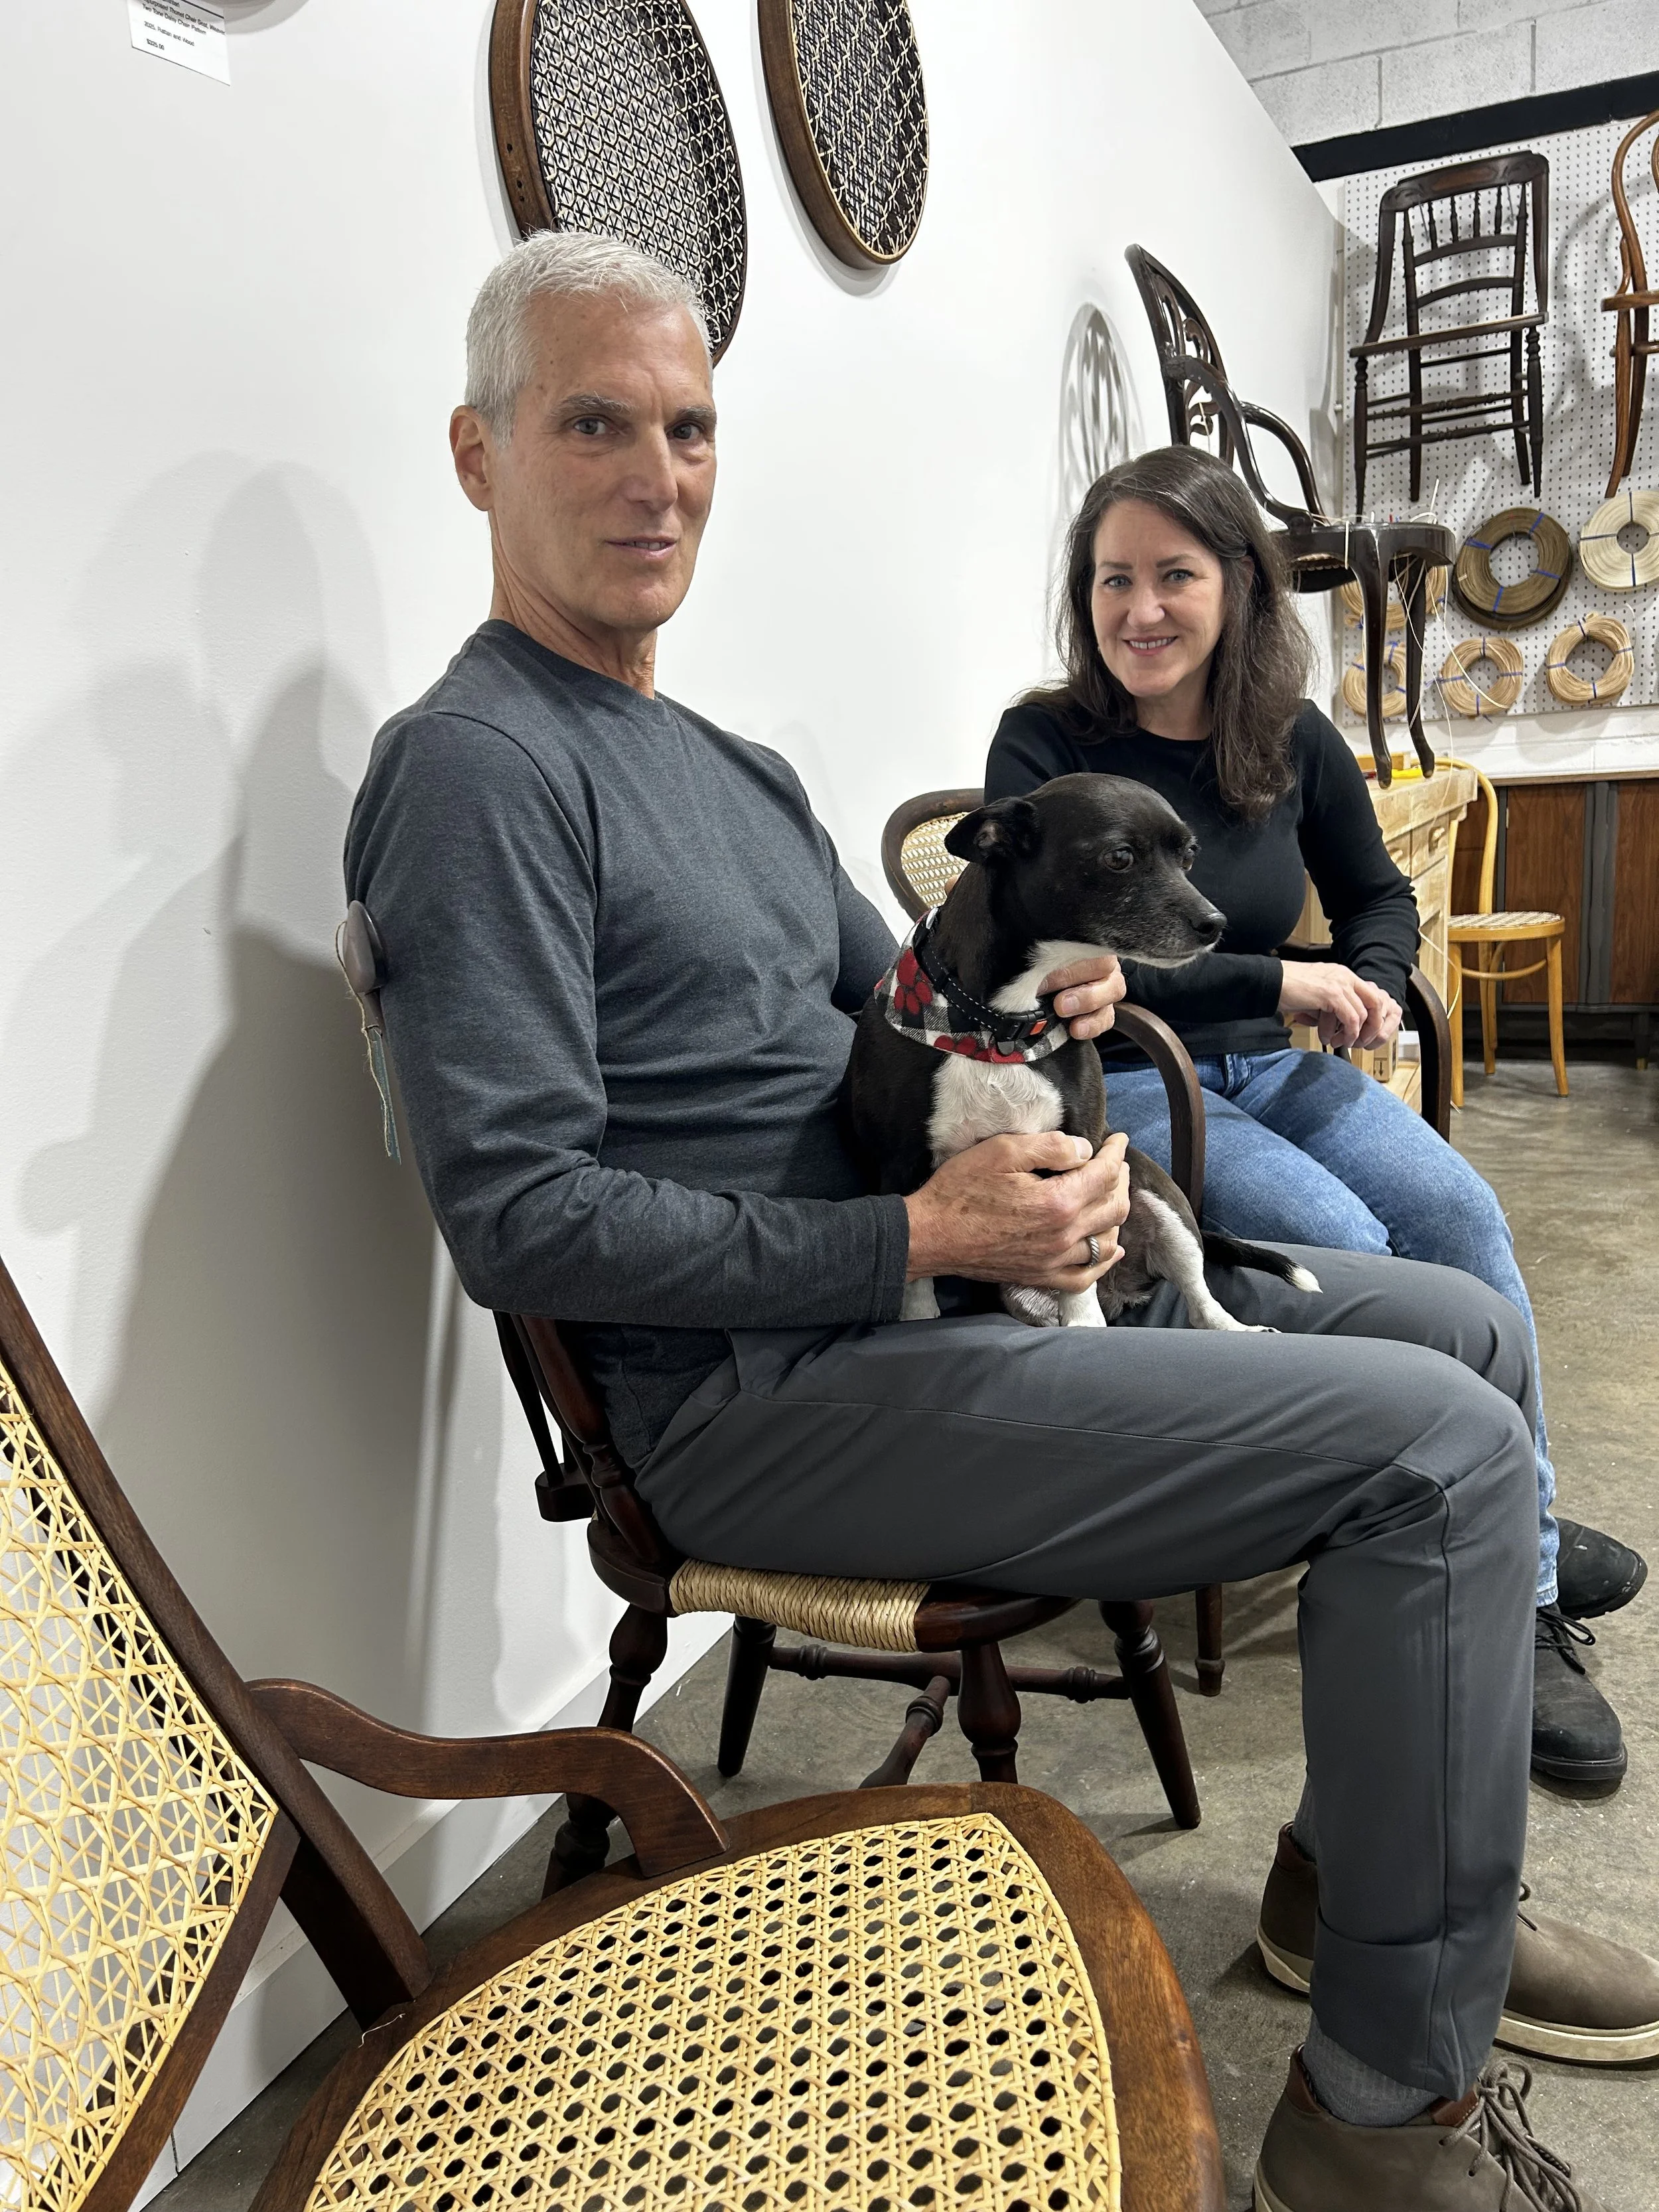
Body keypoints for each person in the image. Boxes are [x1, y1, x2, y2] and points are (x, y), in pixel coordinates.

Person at [343, 232, 1646, 2210]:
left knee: (1457, 1324)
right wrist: (923, 1240)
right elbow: (518, 1221)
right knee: (1444, 1455)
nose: (657, 479)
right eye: (592, 426)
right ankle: (1388, 2112)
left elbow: (916, 1003)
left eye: (689, 429)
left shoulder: (731, 767)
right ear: (477, 454)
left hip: (926, 1300)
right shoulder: (474, 773)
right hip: (761, 1392)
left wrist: (1050, 1057)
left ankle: (1366, 1883)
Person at [985, 445, 1647, 1794]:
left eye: (1173, 575)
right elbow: (1062, 959)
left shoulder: (1286, 736)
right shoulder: (1043, 745)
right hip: (1125, 1075)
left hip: (1274, 1068)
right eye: (1112, 579)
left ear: (1239, 583)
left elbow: (1375, 895)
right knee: (1354, 1247)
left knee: (1461, 1217)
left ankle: (1516, 1573)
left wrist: (1375, 978)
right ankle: (1489, 1534)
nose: (1139, 609)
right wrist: (1280, 979)